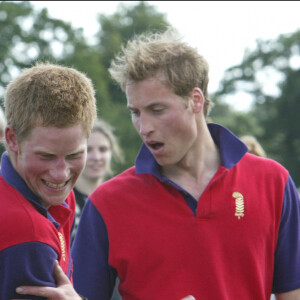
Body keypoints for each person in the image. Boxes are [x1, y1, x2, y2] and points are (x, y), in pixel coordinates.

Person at [17, 29, 300, 300]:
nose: (144, 127)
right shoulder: (108, 203)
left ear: (195, 100)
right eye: (135, 112)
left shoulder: (273, 182)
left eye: (156, 110)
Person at [0, 62, 96, 299]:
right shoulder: (28, 234)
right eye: (46, 156)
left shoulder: (57, 195)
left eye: (74, 155)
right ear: (11, 138)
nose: (61, 174)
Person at [72, 118, 124, 241]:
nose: (96, 157)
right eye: (88, 150)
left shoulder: (117, 201)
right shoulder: (63, 201)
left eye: (103, 149)